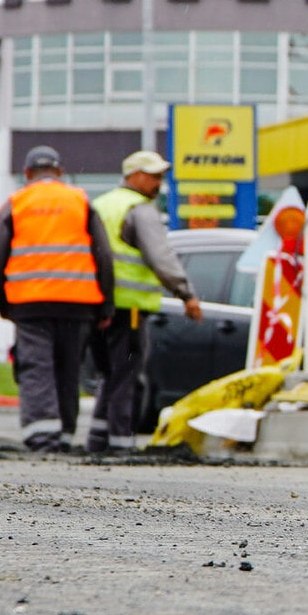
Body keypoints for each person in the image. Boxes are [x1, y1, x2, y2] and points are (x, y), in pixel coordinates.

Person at [0, 146, 114, 452]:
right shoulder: (80, 201)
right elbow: (103, 255)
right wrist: (105, 304)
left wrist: (1, 301)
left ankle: (43, 436)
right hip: (78, 303)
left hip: (30, 304)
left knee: (36, 367)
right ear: (59, 171)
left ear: (27, 174)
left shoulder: (16, 203)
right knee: (68, 369)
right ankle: (65, 435)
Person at [86, 150, 203, 452]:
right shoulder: (140, 209)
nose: (158, 184)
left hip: (98, 305)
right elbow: (161, 258)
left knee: (109, 374)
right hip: (131, 306)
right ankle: (121, 443)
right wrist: (186, 294)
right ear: (134, 175)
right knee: (126, 375)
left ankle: (98, 439)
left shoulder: (100, 205)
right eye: (153, 177)